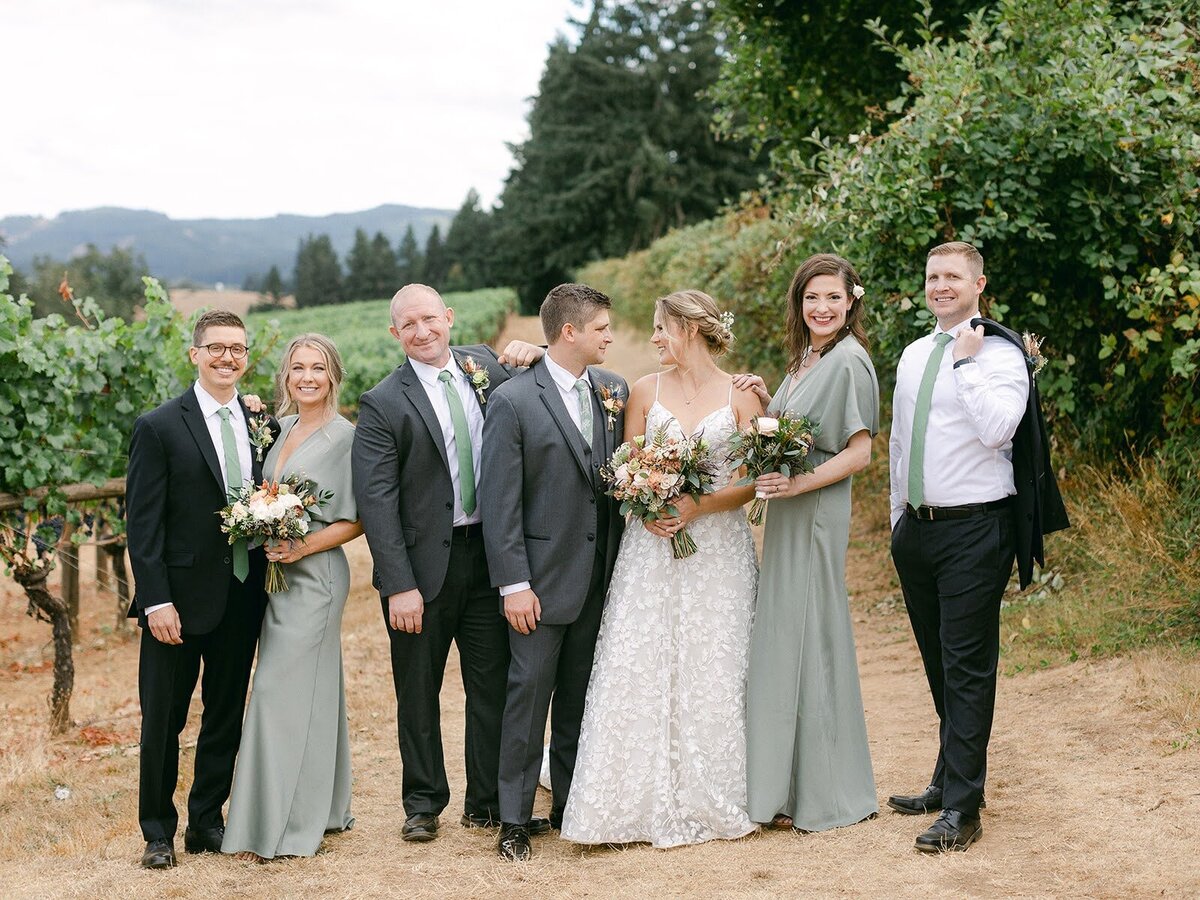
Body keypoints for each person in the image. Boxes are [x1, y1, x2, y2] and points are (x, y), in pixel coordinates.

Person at [561, 290, 762, 848]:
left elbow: (750, 481)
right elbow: (629, 466)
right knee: (642, 662)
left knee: (715, 665)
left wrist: (700, 505)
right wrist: (647, 503)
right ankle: (625, 804)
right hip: (651, 550)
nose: (652, 339)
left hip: (719, 550)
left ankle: (717, 795)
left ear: (692, 329)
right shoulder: (643, 392)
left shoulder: (740, 394)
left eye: (660, 329)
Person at [351, 285, 543, 845]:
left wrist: (534, 355)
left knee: (493, 686)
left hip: (491, 557)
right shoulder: (383, 402)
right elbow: (377, 501)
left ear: (449, 318)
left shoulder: (489, 366)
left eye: (430, 319)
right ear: (395, 334)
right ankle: (424, 802)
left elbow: (540, 397)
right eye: (408, 324)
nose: (422, 331)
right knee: (418, 690)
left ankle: (486, 801)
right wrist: (398, 585)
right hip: (421, 570)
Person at [887, 241, 1029, 852]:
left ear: (978, 283)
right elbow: (900, 439)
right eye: (932, 276)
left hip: (976, 527)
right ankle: (949, 781)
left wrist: (968, 363)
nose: (940, 285)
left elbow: (1001, 429)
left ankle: (964, 810)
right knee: (939, 663)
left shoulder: (1000, 353)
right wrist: (897, 516)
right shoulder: (915, 353)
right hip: (917, 529)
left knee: (967, 667)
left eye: (952, 276)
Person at [480, 283, 627, 861]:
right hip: (537, 584)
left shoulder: (613, 390)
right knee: (528, 698)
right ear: (570, 332)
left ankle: (571, 805)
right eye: (602, 328)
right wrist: (514, 584)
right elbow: (500, 502)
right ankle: (514, 820)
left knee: (579, 699)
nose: (610, 336)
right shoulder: (514, 400)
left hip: (600, 576)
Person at [735, 253, 880, 834]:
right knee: (787, 637)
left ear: (851, 302)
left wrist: (797, 484)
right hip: (792, 512)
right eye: (811, 298)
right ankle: (788, 782)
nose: (822, 308)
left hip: (816, 510)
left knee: (812, 634)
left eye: (833, 298)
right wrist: (769, 400)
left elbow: (858, 451)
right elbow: (797, 430)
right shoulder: (808, 358)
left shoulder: (850, 361)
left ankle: (828, 791)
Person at [126, 309, 276, 869]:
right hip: (178, 601)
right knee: (163, 718)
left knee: (224, 714)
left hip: (243, 594)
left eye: (237, 348)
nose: (226, 358)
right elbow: (142, 526)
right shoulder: (159, 425)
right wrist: (155, 600)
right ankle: (157, 831)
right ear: (195, 355)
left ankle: (206, 821)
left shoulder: (261, 423)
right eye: (215, 348)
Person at [221, 333, 362, 861]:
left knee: (278, 692)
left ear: (333, 376)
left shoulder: (348, 437)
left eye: (318, 368)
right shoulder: (277, 430)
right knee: (314, 691)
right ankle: (321, 807)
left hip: (317, 577)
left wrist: (304, 546)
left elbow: (357, 519)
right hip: (275, 578)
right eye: (297, 367)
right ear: (286, 375)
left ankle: (280, 825)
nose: (307, 376)